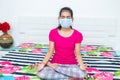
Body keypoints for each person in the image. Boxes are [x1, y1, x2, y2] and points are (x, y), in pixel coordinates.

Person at [34, 7, 87, 80]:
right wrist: (43, 63)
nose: (65, 19)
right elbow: (50, 51)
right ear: (59, 18)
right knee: (41, 73)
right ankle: (69, 77)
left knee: (82, 74)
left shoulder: (78, 34)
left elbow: (77, 53)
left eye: (68, 17)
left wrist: (81, 65)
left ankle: (58, 72)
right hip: (55, 63)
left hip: (71, 64)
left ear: (72, 19)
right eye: (63, 17)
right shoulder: (53, 32)